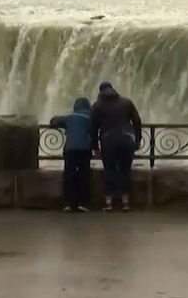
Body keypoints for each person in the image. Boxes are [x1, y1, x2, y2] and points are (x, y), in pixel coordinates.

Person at [89, 81, 143, 212]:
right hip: (127, 140)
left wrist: (95, 147)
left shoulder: (97, 106)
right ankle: (125, 203)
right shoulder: (126, 102)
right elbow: (137, 121)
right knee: (125, 170)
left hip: (108, 141)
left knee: (110, 171)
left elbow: (93, 128)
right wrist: (137, 140)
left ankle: (109, 203)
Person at [48, 97, 95, 212]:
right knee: (84, 175)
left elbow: (54, 121)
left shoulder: (70, 117)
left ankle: (68, 203)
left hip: (70, 149)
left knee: (69, 175)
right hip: (84, 148)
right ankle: (83, 203)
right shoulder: (90, 117)